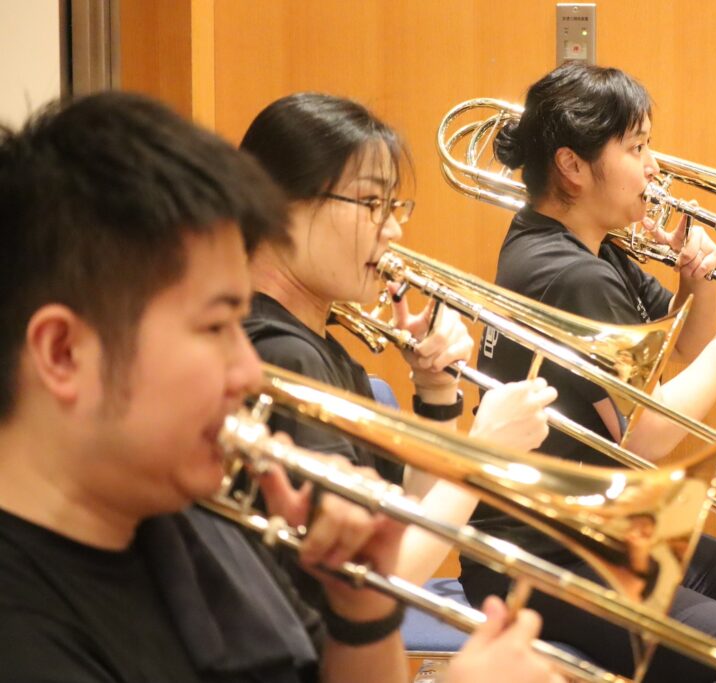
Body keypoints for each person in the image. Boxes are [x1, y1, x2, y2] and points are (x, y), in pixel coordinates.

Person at [0, 91, 563, 683]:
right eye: (216, 325)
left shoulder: (186, 519)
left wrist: (361, 613)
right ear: (64, 353)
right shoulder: (25, 634)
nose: (248, 371)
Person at [462, 62, 716, 680]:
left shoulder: (583, 244)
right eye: (636, 147)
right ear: (573, 167)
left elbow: (679, 348)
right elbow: (641, 444)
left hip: (593, 525)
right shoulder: (572, 273)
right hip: (538, 554)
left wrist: (695, 284)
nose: (654, 165)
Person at [239, 93, 557, 587]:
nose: (392, 229)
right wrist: (484, 455)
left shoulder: (318, 347)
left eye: (393, 206)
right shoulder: (279, 358)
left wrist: (437, 394)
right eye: (370, 203)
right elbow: (373, 577)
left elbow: (404, 510)